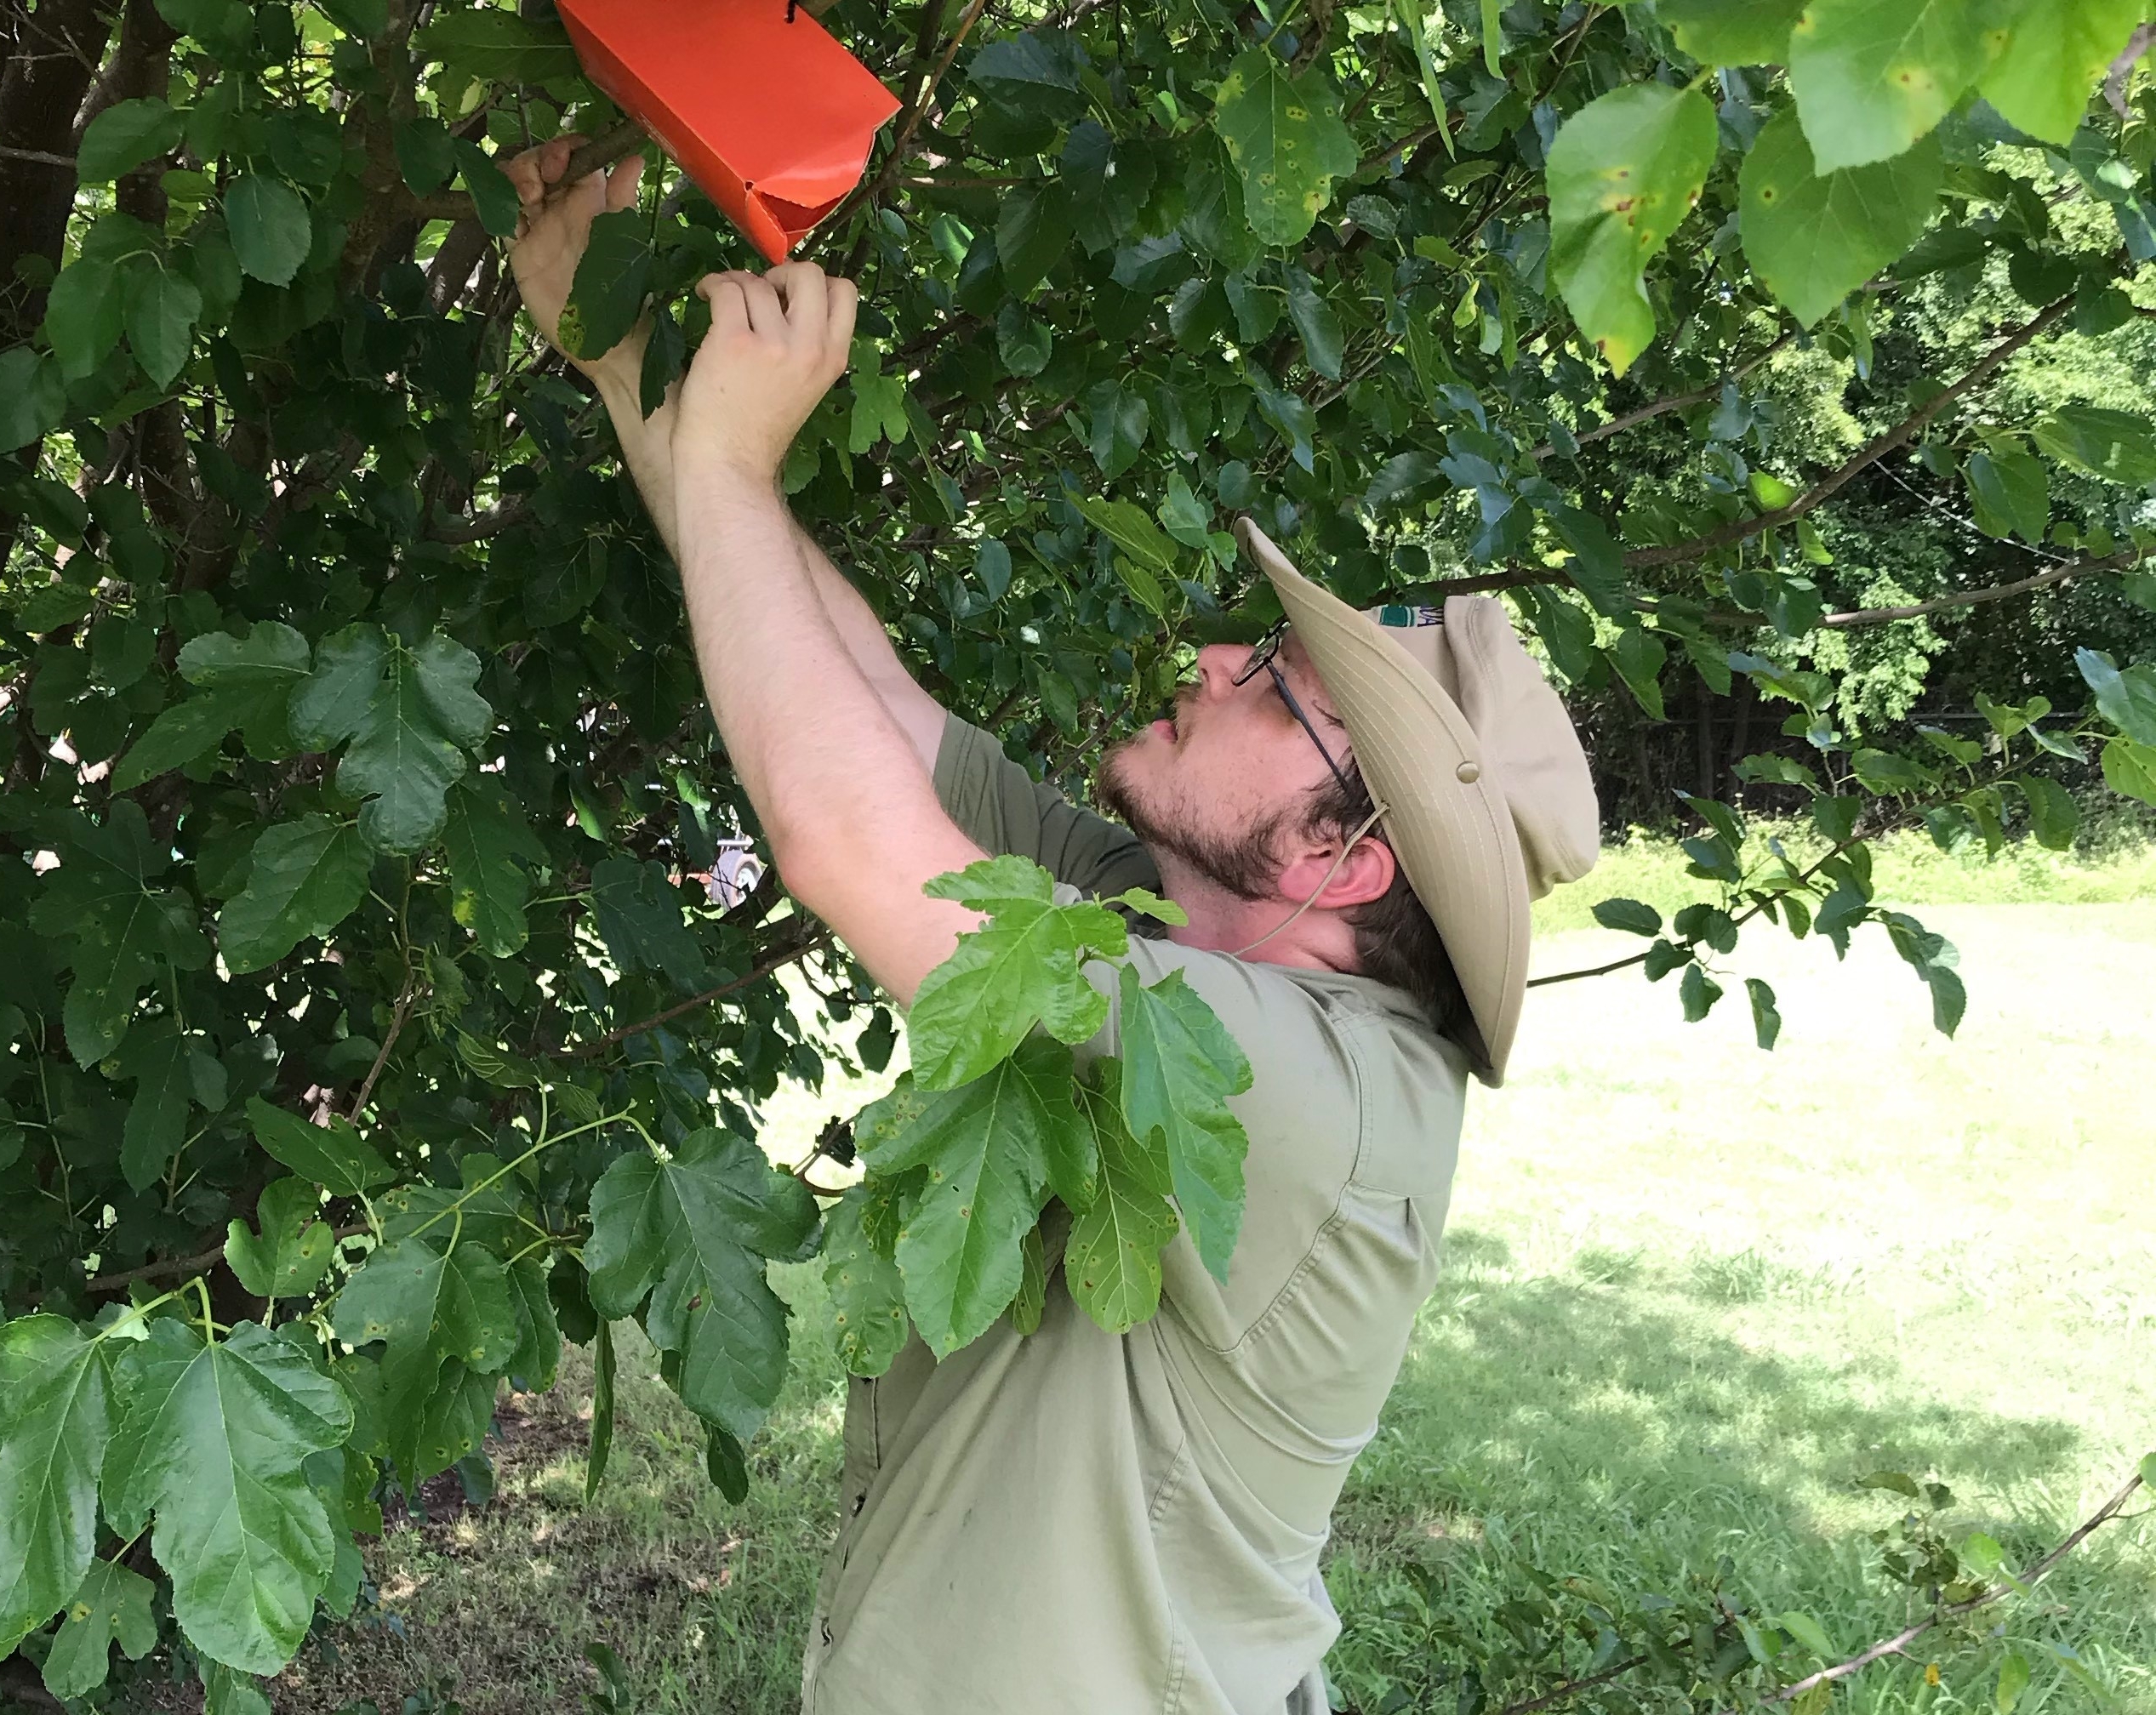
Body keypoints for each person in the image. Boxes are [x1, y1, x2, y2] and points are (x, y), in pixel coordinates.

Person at [506, 138, 1603, 1715]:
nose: (1221, 653)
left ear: (1343, 860)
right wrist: (627, 370)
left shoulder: (1318, 1097)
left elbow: (843, 839)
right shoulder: (1153, 935)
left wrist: (738, 465)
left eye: (1281, 689)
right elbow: (863, 701)